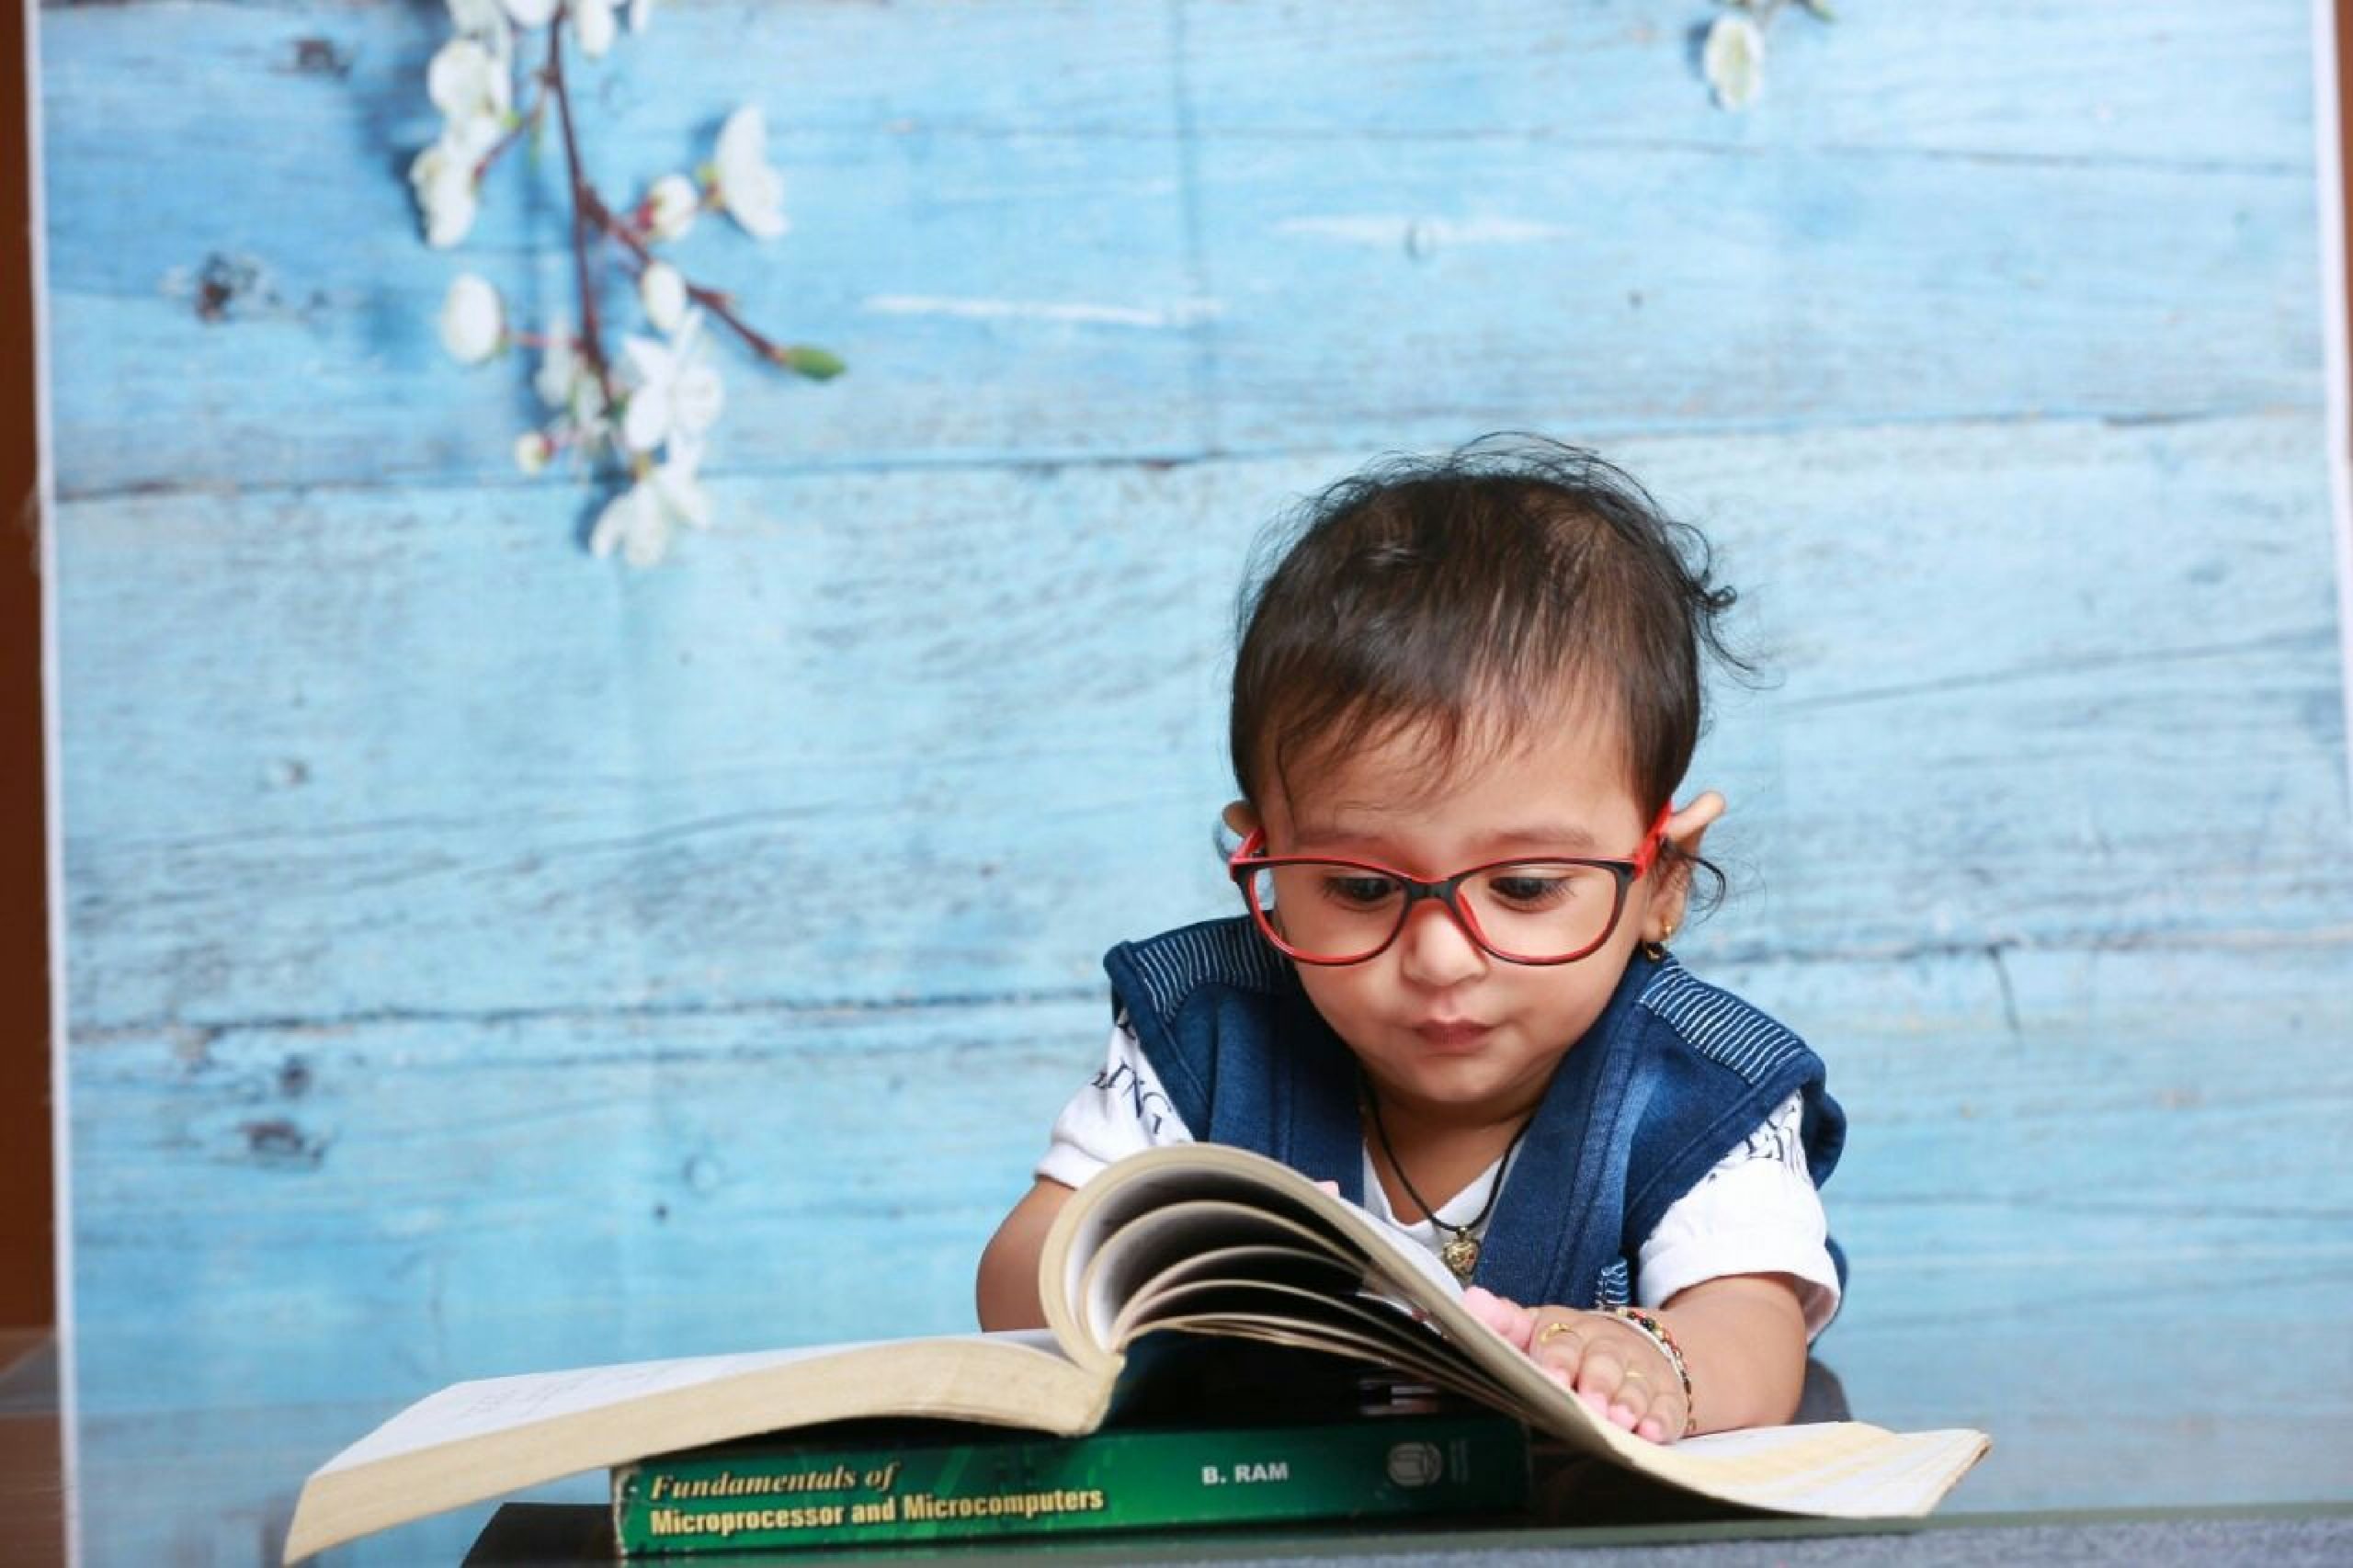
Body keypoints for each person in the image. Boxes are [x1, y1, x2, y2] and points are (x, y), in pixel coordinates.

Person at [976, 437, 1844, 1446]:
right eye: (1357, 885)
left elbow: (1755, 1327)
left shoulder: (1702, 1086)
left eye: (1522, 886)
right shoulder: (1203, 1030)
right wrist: (1153, 1288)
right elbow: (1023, 1280)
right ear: (1263, 850)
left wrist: (1657, 1360)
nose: (1439, 957)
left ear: (1660, 878)